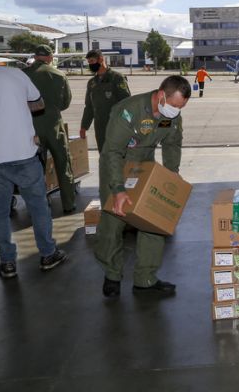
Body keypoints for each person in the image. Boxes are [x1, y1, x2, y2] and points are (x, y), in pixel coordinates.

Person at [0, 43, 66, 279]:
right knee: (38, 206)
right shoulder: (16, 74)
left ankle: (7, 262)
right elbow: (39, 105)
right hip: (24, 154)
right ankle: (48, 254)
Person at [95, 75, 190, 298]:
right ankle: (112, 273)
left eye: (181, 107)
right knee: (113, 221)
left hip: (145, 164)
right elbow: (112, 152)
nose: (176, 111)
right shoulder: (128, 110)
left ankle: (145, 279)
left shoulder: (172, 116)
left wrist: (172, 174)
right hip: (117, 164)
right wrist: (118, 189)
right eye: (174, 105)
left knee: (154, 219)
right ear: (160, 96)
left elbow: (172, 143)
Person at [23, 44, 76, 214]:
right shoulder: (59, 75)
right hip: (54, 126)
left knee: (35, 168)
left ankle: (39, 205)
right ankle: (68, 203)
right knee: (63, 164)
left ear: (35, 57)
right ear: (50, 57)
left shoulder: (23, 75)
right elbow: (65, 103)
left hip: (31, 128)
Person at [80, 49, 131, 152]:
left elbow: (127, 103)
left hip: (116, 125)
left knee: (119, 156)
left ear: (101, 59)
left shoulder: (116, 78)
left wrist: (129, 124)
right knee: (103, 155)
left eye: (92, 61)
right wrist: (84, 126)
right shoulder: (92, 83)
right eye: (89, 62)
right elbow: (89, 107)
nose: (91, 64)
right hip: (100, 127)